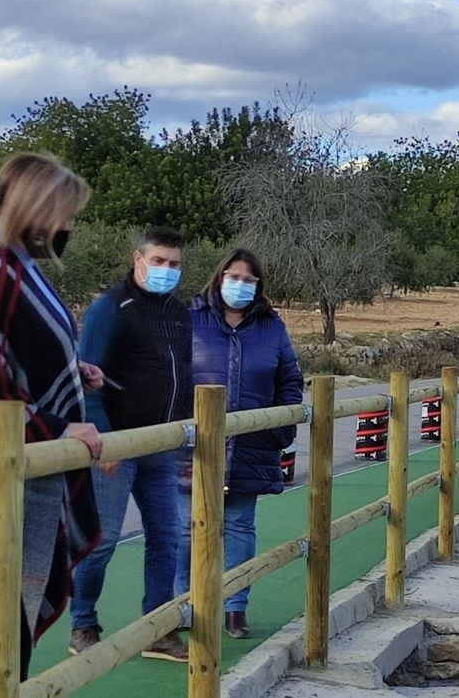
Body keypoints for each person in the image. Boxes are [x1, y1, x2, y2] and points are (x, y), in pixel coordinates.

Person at [0, 152, 104, 698]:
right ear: (36, 207)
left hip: (10, 463)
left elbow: (10, 354)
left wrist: (68, 372)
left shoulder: (15, 266)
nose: (67, 226)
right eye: (63, 212)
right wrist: (57, 428)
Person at [68, 226, 191, 661]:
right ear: (138, 259)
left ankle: (156, 627)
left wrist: (187, 434)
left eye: (174, 264)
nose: (166, 270)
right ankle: (82, 623)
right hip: (115, 447)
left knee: (167, 536)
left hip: (162, 444)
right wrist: (102, 439)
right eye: (158, 261)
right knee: (101, 541)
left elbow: (182, 376)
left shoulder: (179, 313)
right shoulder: (109, 307)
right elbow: (85, 376)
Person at [175, 248, 303, 639]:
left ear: (259, 286)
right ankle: (181, 608)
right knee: (184, 530)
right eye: (234, 277)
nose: (240, 285)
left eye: (249, 280)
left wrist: (279, 429)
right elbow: (168, 376)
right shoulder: (189, 320)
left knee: (238, 526)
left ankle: (234, 608)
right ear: (219, 277)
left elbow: (290, 380)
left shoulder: (271, 327)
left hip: (250, 445)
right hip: (192, 447)